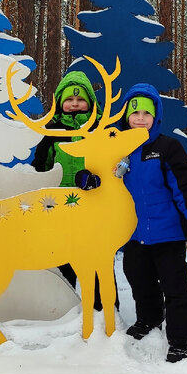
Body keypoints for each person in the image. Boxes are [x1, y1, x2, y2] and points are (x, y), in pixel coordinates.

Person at [116, 84, 187, 363]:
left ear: (156, 116)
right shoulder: (119, 149)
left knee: (175, 286)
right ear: (126, 116)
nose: (140, 118)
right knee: (139, 280)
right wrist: (87, 179)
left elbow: (184, 187)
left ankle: (182, 338)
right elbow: (102, 178)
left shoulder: (167, 147)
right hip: (135, 234)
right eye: (135, 112)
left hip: (168, 233)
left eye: (147, 112)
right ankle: (150, 318)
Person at [31, 70, 113, 311]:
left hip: (93, 206)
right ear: (60, 102)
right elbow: (40, 169)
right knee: (63, 259)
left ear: (90, 102)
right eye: (69, 99)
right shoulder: (52, 132)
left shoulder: (100, 131)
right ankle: (71, 307)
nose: (75, 104)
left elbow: (113, 166)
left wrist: (99, 180)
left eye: (80, 99)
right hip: (60, 209)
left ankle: (104, 307)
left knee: (97, 260)